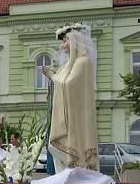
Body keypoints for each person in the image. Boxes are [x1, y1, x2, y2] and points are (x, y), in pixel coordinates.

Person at [42, 23, 99, 172]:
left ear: (75, 41)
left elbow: (68, 85)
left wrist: (51, 75)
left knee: (72, 156)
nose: (62, 46)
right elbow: (63, 81)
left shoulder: (83, 61)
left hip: (76, 119)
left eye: (65, 41)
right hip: (70, 115)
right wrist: (55, 76)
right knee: (56, 154)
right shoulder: (69, 64)